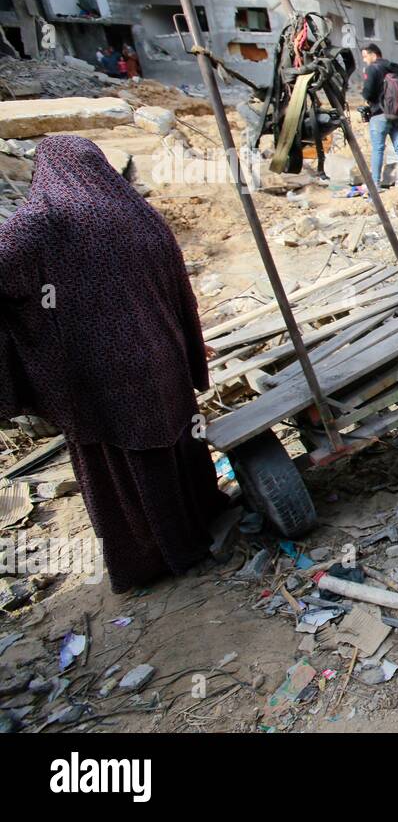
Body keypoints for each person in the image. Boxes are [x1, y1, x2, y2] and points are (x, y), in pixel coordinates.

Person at [0, 137, 229, 594]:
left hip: (98, 376)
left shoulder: (38, 224)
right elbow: (177, 286)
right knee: (175, 446)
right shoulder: (137, 214)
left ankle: (152, 558)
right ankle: (199, 529)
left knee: (125, 465)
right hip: (162, 356)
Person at [359, 43, 398, 190]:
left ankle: (375, 184)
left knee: (378, 149)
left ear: (374, 54)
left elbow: (368, 92)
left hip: (379, 115)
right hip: (397, 114)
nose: (365, 60)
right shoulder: (394, 68)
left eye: (365, 56)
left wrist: (367, 100)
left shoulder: (372, 68)